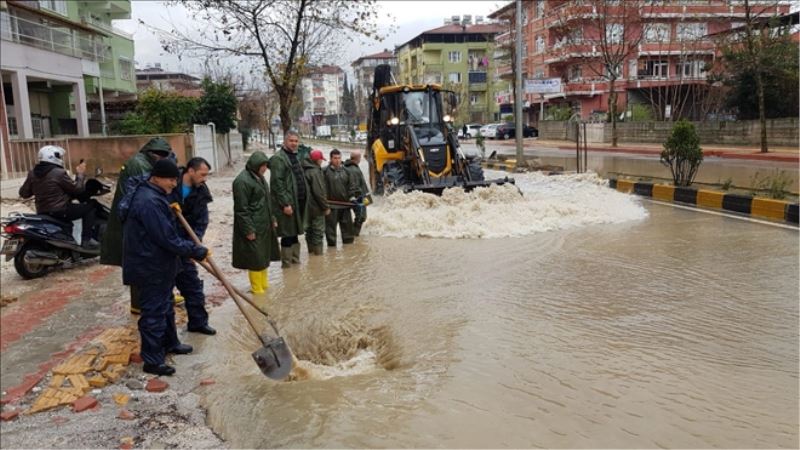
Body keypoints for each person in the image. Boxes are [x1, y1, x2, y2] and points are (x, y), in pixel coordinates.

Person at [120, 159, 208, 376]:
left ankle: (170, 343)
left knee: (165, 306)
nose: (173, 184)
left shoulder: (157, 195)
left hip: (160, 263)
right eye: (170, 180)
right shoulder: (149, 202)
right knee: (154, 312)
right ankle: (152, 360)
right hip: (149, 265)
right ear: (156, 178)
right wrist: (194, 250)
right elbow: (166, 238)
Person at [101, 137, 173, 314]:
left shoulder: (149, 164)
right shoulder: (138, 165)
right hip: (132, 219)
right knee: (138, 260)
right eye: (159, 155)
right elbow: (140, 192)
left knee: (145, 260)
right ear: (150, 153)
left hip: (138, 217)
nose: (162, 158)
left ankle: (154, 298)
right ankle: (139, 304)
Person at [18, 146, 97, 249]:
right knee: (91, 207)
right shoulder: (58, 172)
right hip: (60, 210)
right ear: (53, 157)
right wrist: (80, 174)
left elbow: (24, 193)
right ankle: (87, 240)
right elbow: (77, 189)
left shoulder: (32, 173)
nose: (61, 158)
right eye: (59, 156)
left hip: (42, 211)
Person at [172, 157, 216, 335]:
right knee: (164, 294)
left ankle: (198, 323)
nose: (205, 178)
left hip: (186, 244)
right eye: (202, 174)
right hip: (166, 243)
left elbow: (202, 221)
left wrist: (194, 245)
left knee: (192, 286)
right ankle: (168, 339)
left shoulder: (201, 191)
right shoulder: (171, 185)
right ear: (191, 170)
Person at [232, 152, 280, 294]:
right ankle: (257, 290)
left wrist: (272, 219)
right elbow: (241, 209)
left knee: (264, 256)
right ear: (255, 165)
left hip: (264, 225)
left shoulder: (260, 178)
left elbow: (267, 201)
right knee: (255, 258)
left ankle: (264, 286)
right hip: (253, 226)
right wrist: (248, 230)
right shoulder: (242, 181)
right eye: (263, 166)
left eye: (266, 166)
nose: (265, 169)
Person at [269, 130, 309, 268]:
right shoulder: (279, 159)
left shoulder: (294, 156)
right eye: (291, 141)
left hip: (297, 203)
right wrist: (285, 204)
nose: (294, 143)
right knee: (287, 234)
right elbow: (277, 184)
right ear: (285, 141)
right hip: (287, 204)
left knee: (294, 233)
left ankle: (295, 263)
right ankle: (287, 266)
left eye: (296, 141)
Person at [324, 149, 357, 247]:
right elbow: (321, 188)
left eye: (339, 158)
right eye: (335, 158)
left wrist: (352, 197)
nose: (337, 160)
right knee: (330, 232)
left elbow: (352, 186)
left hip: (345, 206)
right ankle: (331, 251)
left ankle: (349, 252)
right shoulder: (324, 171)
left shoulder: (347, 171)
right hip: (331, 206)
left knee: (348, 234)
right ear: (330, 159)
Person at [302, 150, 330, 255]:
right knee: (318, 232)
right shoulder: (315, 172)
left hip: (306, 206)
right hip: (316, 208)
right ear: (317, 160)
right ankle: (318, 257)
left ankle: (311, 254)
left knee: (309, 231)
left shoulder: (304, 169)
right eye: (321, 160)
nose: (321, 162)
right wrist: (326, 207)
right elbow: (319, 192)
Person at [343, 150, 369, 237]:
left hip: (359, 195)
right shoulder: (353, 169)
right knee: (361, 216)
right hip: (358, 197)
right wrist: (355, 198)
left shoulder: (350, 166)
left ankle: (353, 233)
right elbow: (354, 186)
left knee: (360, 216)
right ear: (358, 158)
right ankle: (354, 234)